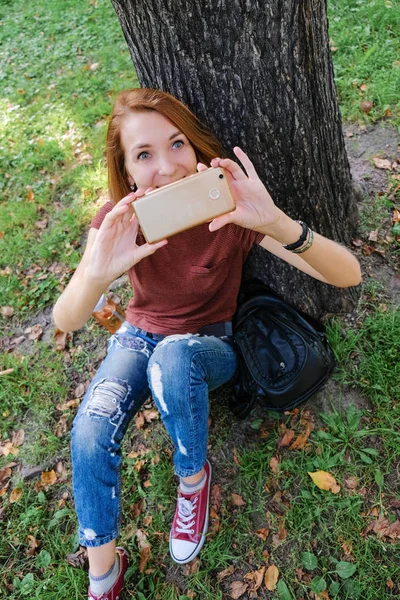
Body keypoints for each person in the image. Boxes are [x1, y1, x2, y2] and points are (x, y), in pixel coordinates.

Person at [53, 88, 361, 600]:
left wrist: (278, 224)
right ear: (127, 170)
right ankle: (103, 573)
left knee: (174, 357)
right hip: (137, 335)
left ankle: (192, 480)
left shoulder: (230, 213)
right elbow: (68, 316)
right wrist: (96, 272)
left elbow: (347, 275)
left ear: (194, 147)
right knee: (90, 427)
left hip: (204, 345)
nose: (169, 167)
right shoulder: (119, 222)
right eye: (144, 155)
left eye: (177, 144)